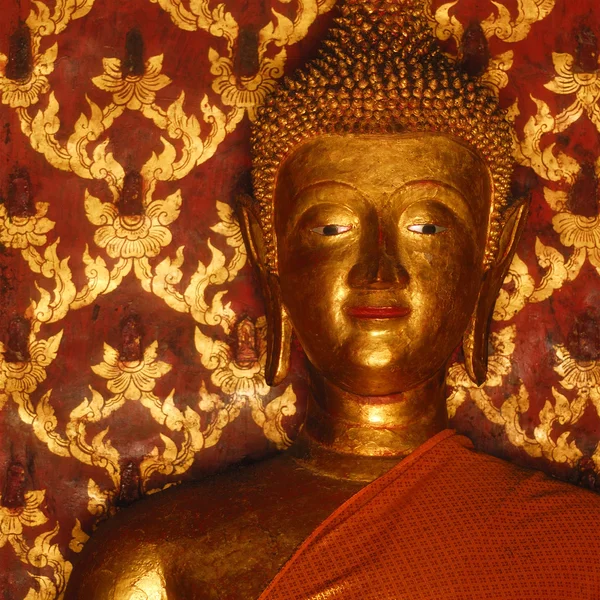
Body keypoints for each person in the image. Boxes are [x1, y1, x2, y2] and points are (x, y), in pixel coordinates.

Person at [65, 1, 600, 598]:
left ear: (490, 255)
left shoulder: (579, 547)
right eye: (331, 228)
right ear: (268, 250)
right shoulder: (158, 563)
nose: (379, 270)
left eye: (426, 228)